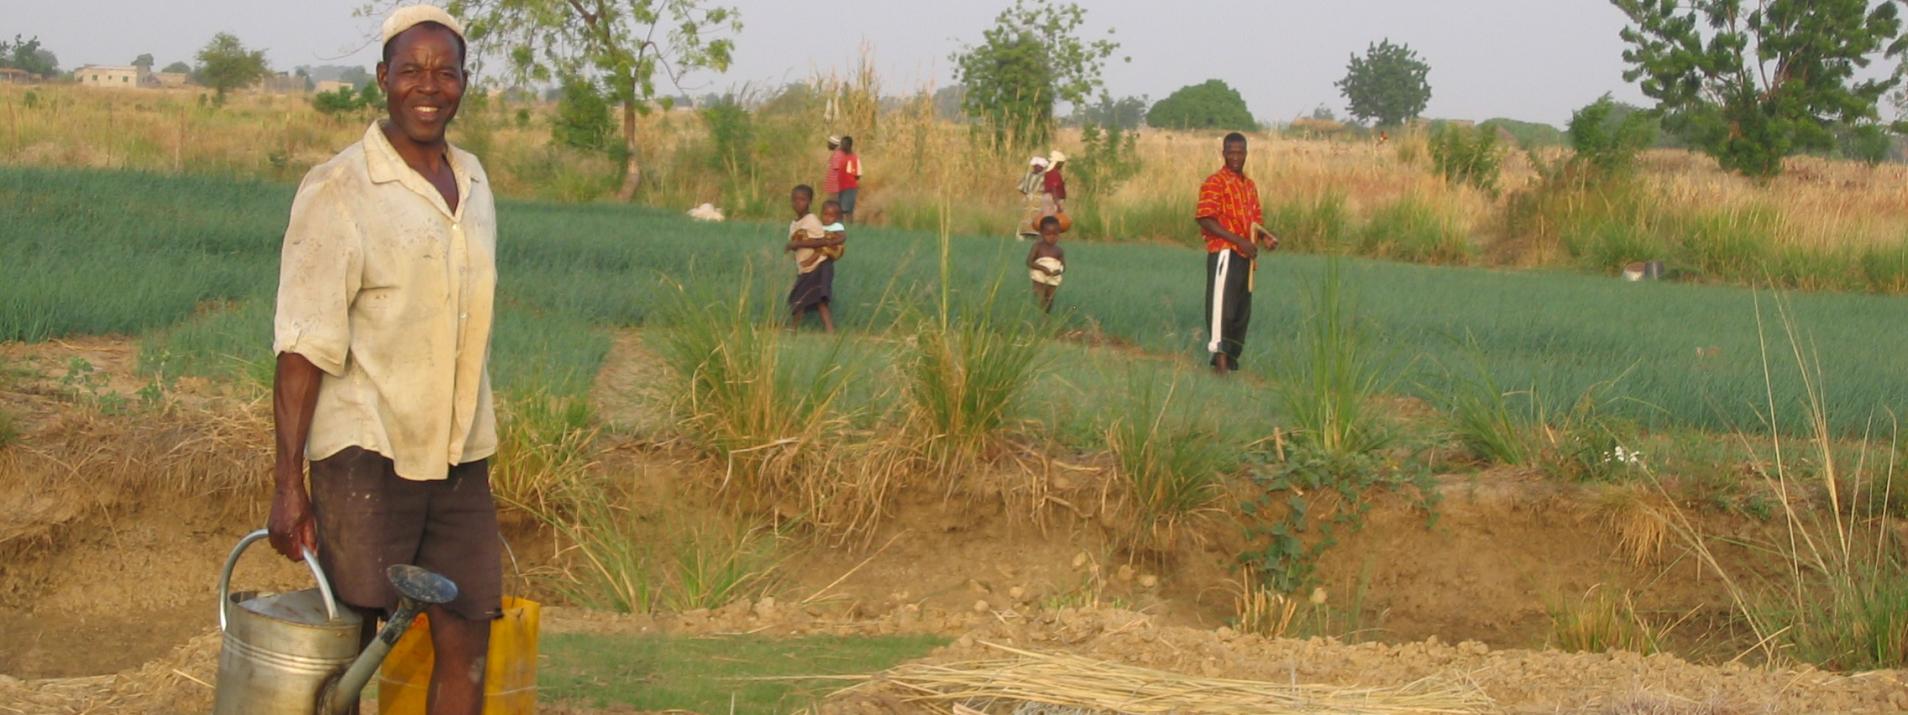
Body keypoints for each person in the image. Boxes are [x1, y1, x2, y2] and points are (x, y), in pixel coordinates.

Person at [268, 6, 498, 714]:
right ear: (383, 79)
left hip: (460, 455)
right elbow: (303, 348)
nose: (428, 86)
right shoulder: (340, 187)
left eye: (445, 71)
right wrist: (288, 481)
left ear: (463, 82)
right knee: (352, 652)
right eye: (411, 70)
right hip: (366, 451)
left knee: (468, 642)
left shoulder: (475, 180)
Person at [1196, 132, 1277, 374]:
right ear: (1223, 153)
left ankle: (1229, 362)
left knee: (1241, 314)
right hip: (1224, 253)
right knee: (1223, 309)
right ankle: (1219, 364)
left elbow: (1255, 223)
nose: (1235, 157)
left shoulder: (1249, 186)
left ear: (1246, 154)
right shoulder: (1215, 182)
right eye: (1230, 152)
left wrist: (1265, 237)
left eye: (1239, 152)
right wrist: (1239, 241)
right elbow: (1205, 219)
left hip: (1245, 257)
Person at [785, 185, 842, 331]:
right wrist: (794, 246)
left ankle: (828, 333)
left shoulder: (812, 220)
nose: (798, 203)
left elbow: (822, 241)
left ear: (809, 201)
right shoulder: (794, 224)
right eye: (795, 199)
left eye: (803, 199)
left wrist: (797, 243)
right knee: (801, 300)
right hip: (806, 268)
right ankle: (794, 330)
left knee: (816, 301)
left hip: (819, 265)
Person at [1027, 215, 1065, 314]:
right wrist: (1042, 268)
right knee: (1040, 298)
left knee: (1049, 299)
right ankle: (1039, 316)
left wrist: (1058, 271)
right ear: (1041, 233)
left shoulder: (1059, 250)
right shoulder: (1038, 247)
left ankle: (1046, 315)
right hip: (1039, 276)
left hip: (1053, 278)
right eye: (1048, 234)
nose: (1052, 237)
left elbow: (1063, 266)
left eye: (1055, 234)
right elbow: (1029, 262)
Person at [1017, 156, 1051, 240]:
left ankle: (1037, 235)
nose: (1036, 168)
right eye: (1035, 166)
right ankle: (1022, 234)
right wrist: (1027, 195)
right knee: (1025, 217)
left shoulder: (1045, 176)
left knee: (1038, 218)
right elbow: (1021, 187)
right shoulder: (1028, 175)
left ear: (1042, 167)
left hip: (1039, 201)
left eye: (1039, 166)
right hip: (1028, 199)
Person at [836, 135, 862, 224]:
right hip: (839, 187)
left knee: (848, 210)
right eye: (841, 144)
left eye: (844, 144)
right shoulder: (840, 156)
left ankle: (850, 229)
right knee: (839, 210)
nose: (842, 146)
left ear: (849, 145)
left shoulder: (854, 158)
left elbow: (858, 175)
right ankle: (840, 229)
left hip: (850, 188)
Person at [1043, 150, 1069, 215]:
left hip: (1048, 197)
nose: (1062, 165)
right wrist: (1058, 206)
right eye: (1061, 163)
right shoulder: (1054, 173)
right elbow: (1053, 189)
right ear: (1057, 163)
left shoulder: (1048, 172)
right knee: (1055, 220)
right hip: (1054, 199)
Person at [822, 135, 844, 200]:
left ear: (833, 144)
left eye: (829, 143)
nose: (827, 145)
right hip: (835, 188)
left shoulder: (837, 154)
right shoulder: (838, 153)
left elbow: (839, 170)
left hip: (835, 188)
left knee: (834, 206)